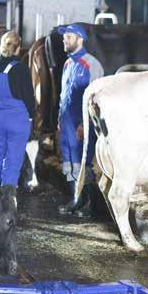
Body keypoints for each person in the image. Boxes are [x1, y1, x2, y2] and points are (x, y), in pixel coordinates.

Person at [0, 31, 35, 193]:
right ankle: (8, 197)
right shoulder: (21, 69)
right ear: (17, 49)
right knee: (13, 159)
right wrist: (31, 117)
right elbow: (29, 99)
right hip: (19, 119)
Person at [57, 24, 104, 217]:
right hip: (66, 121)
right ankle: (77, 199)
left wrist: (86, 123)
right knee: (69, 161)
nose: (64, 40)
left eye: (68, 37)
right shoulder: (68, 64)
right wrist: (60, 119)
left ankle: (91, 205)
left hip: (81, 122)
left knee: (82, 161)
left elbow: (97, 97)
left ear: (80, 39)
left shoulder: (91, 64)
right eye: (64, 37)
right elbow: (63, 94)